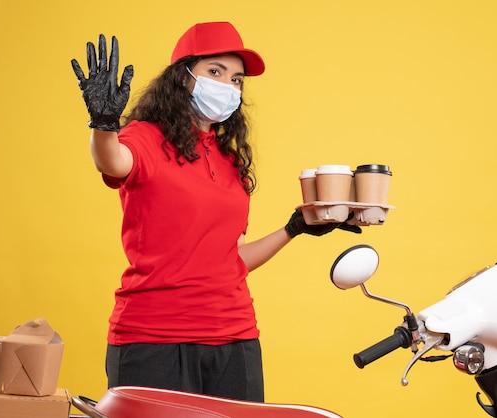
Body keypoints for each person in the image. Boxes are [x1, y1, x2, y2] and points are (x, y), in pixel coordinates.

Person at [71, 21, 361, 402]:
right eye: (215, 72)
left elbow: (231, 258)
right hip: (153, 339)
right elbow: (112, 162)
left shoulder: (229, 159)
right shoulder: (144, 136)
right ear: (183, 78)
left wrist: (293, 229)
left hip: (233, 337)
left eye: (237, 79)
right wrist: (104, 124)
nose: (228, 85)